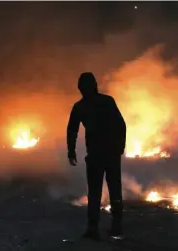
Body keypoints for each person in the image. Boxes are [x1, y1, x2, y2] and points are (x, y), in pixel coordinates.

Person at [67, 72, 127, 241]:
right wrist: (120, 146)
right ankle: (111, 227)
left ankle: (99, 228)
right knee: (109, 190)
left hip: (102, 153)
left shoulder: (83, 106)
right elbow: (72, 130)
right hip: (104, 153)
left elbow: (72, 131)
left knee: (97, 192)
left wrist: (71, 151)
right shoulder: (104, 102)